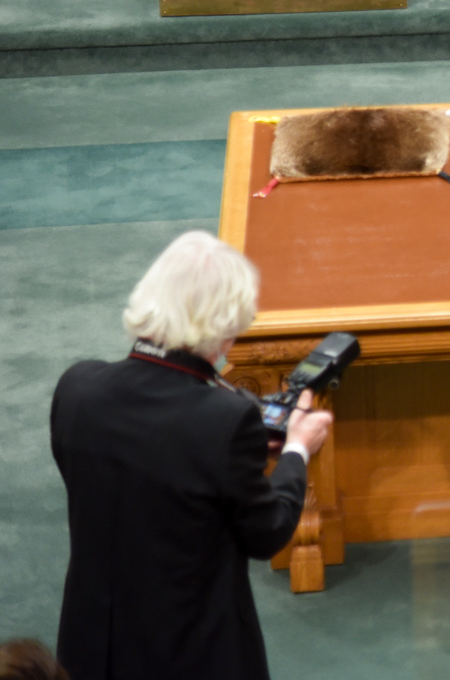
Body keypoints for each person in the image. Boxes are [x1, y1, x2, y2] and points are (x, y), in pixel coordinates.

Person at [50, 232, 333, 680]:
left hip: (90, 647)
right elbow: (266, 533)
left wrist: (230, 458)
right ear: (223, 329)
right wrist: (297, 450)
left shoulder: (77, 387)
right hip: (189, 653)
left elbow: (127, 473)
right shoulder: (226, 420)